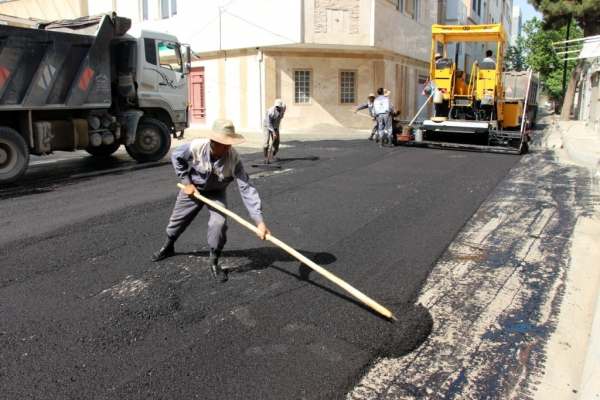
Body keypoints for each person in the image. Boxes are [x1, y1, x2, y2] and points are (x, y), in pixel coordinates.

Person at [152, 119, 271, 283]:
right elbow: (176, 156)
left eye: (230, 143)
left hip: (216, 192)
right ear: (213, 142)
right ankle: (168, 245)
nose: (228, 147)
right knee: (177, 220)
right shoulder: (196, 147)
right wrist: (187, 182)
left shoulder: (233, 158)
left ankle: (214, 261)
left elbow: (247, 188)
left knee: (219, 223)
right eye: (224, 143)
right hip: (194, 189)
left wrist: (259, 221)